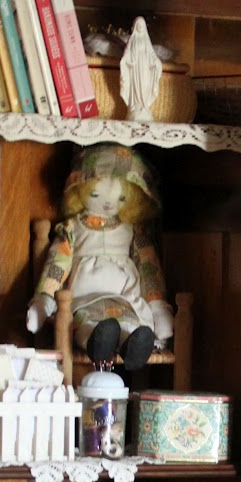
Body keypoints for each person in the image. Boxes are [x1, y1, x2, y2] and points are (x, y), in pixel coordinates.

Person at [27, 144, 173, 369]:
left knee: (133, 325)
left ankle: (135, 346)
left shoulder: (133, 230)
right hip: (86, 298)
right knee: (88, 325)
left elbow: (148, 268)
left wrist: (157, 306)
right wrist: (44, 299)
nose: (107, 204)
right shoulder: (73, 227)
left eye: (121, 198)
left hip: (126, 299)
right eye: (96, 194)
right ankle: (98, 343)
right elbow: (58, 262)